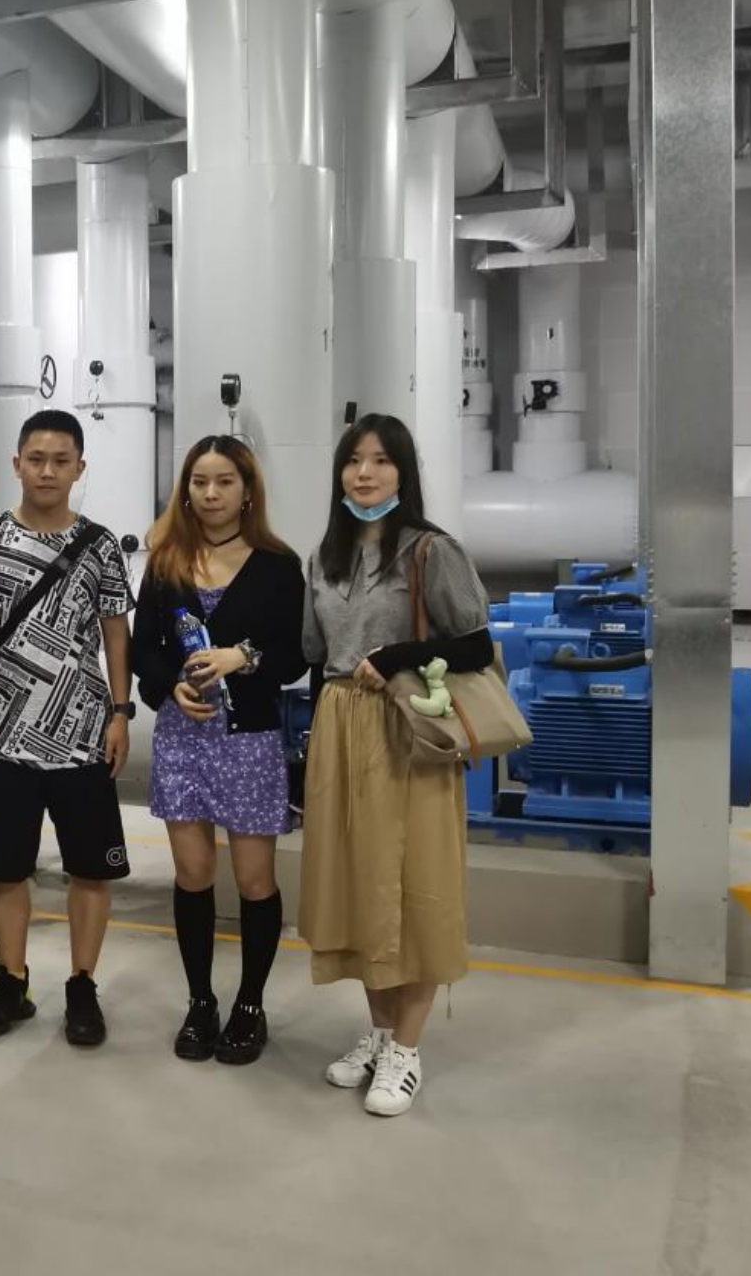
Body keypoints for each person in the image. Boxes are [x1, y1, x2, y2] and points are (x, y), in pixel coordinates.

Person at [299, 413, 493, 1117]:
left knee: (415, 885)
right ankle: (380, 1035)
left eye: (381, 460)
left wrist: (399, 656)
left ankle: (407, 1048)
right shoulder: (323, 558)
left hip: (408, 727)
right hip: (340, 724)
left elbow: (476, 646)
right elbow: (312, 654)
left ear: (403, 472)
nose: (365, 473)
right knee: (357, 882)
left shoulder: (431, 552)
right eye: (354, 459)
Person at [0, 409, 135, 1047]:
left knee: (91, 870)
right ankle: (12, 981)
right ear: (17, 464)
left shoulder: (100, 545)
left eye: (61, 461)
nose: (48, 471)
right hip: (4, 735)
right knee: (6, 870)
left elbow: (116, 634)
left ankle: (82, 984)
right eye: (36, 459)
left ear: (79, 468)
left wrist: (121, 712)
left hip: (84, 734)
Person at [132, 436, 306, 1066]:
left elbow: (296, 654)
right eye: (200, 481)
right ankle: (200, 1001)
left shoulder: (278, 566)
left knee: (255, 879)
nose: (210, 493)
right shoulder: (166, 561)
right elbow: (143, 650)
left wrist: (243, 656)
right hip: (184, 736)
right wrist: (168, 687)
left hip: (249, 738)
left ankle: (250, 1005)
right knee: (192, 873)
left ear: (247, 490)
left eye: (224, 481)